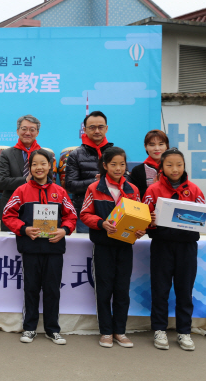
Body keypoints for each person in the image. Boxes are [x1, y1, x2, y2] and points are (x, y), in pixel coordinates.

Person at [2, 149, 76, 345]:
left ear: (50, 166)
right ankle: (29, 328)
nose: (39, 167)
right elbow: (8, 215)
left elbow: (71, 216)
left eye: (43, 163)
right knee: (31, 289)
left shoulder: (59, 192)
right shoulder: (21, 191)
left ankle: (53, 329)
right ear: (30, 167)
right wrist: (24, 229)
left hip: (54, 249)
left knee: (52, 289)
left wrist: (64, 230)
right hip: (31, 249)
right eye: (34, 164)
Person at [80, 147, 145, 349]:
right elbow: (84, 214)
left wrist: (139, 230)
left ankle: (120, 331)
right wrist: (101, 223)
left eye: (122, 164)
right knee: (104, 289)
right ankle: (106, 332)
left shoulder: (133, 190)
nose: (118, 168)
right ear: (105, 165)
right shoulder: (94, 189)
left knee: (122, 290)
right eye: (114, 164)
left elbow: (140, 215)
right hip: (103, 246)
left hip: (125, 246)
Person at [144, 148, 205, 352]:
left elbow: (204, 219)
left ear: (184, 166)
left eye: (179, 164)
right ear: (161, 168)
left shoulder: (194, 190)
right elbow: (143, 219)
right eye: (169, 165)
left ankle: (184, 331)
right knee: (160, 289)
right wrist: (149, 221)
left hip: (187, 248)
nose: (175, 169)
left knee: (184, 290)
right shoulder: (153, 190)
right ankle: (159, 330)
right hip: (162, 246)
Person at [0, 115, 54, 231]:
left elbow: (50, 182)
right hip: (12, 209)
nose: (28, 133)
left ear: (37, 132)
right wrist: (25, 180)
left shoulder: (46, 155)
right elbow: (3, 182)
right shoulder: (7, 154)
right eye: (24, 129)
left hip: (40, 209)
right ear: (18, 131)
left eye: (32, 130)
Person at [64, 111, 114, 233]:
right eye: (92, 127)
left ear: (106, 129)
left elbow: (126, 180)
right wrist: (96, 182)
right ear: (85, 130)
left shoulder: (115, 153)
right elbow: (70, 185)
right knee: (85, 250)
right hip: (87, 214)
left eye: (100, 127)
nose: (97, 131)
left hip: (114, 212)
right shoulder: (75, 154)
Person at [129, 129, 169, 199]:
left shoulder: (172, 168)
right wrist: (153, 188)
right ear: (145, 147)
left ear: (166, 146)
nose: (157, 148)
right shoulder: (138, 170)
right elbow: (135, 196)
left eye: (161, 144)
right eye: (152, 145)